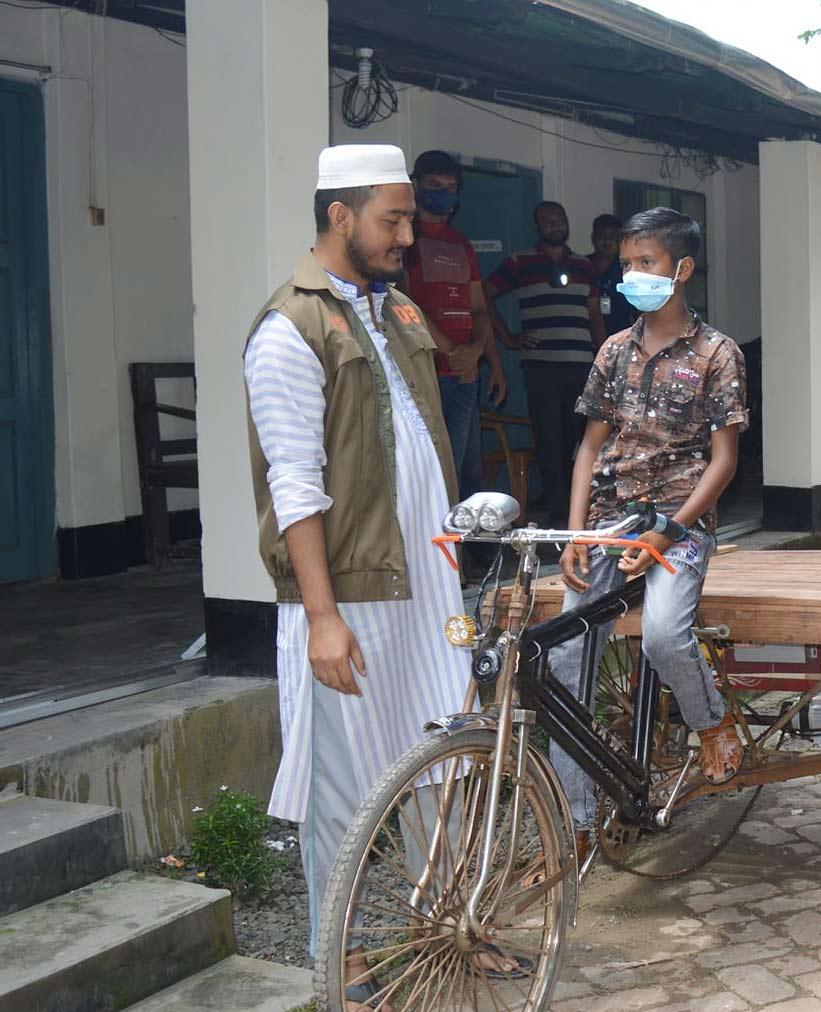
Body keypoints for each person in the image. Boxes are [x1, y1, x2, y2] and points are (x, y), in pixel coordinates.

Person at [243, 144, 521, 1010]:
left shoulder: (394, 310)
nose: (410, 232)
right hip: (352, 600)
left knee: (442, 764)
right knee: (346, 792)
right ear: (339, 216)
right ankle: (348, 961)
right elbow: (296, 487)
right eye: (393, 219)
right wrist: (322, 617)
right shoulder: (289, 328)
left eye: (410, 216)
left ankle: (446, 930)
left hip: (428, 587)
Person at [551, 206, 749, 822]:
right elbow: (589, 446)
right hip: (611, 520)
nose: (632, 273)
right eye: (628, 263)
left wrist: (673, 526)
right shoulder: (614, 350)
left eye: (647, 263)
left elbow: (724, 461)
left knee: (664, 634)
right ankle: (578, 824)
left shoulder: (718, 353)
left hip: (680, 523)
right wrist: (576, 533)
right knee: (561, 660)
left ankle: (711, 722)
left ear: (682, 269)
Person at [484, 200, 602, 522]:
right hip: (542, 367)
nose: (555, 225)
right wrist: (508, 337)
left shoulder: (583, 265)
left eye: (560, 219)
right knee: (550, 441)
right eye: (548, 221)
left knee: (583, 439)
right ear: (537, 227)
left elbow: (593, 314)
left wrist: (603, 355)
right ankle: (559, 514)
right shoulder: (520, 262)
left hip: (581, 366)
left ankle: (587, 510)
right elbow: (483, 293)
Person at [400, 149, 504, 500]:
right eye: (433, 185)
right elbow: (406, 305)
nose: (443, 193)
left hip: (464, 375)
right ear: (414, 185)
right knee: (436, 470)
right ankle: (442, 552)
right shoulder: (405, 241)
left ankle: (467, 553)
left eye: (450, 186)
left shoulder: (461, 244)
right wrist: (453, 352)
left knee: (466, 470)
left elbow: (479, 308)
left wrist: (474, 352)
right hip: (428, 374)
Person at [587, 212, 637, 338]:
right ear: (593, 238)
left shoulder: (629, 271)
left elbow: (639, 313)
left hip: (621, 341)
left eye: (613, 236)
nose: (607, 241)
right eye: (602, 235)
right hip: (586, 341)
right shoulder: (582, 267)